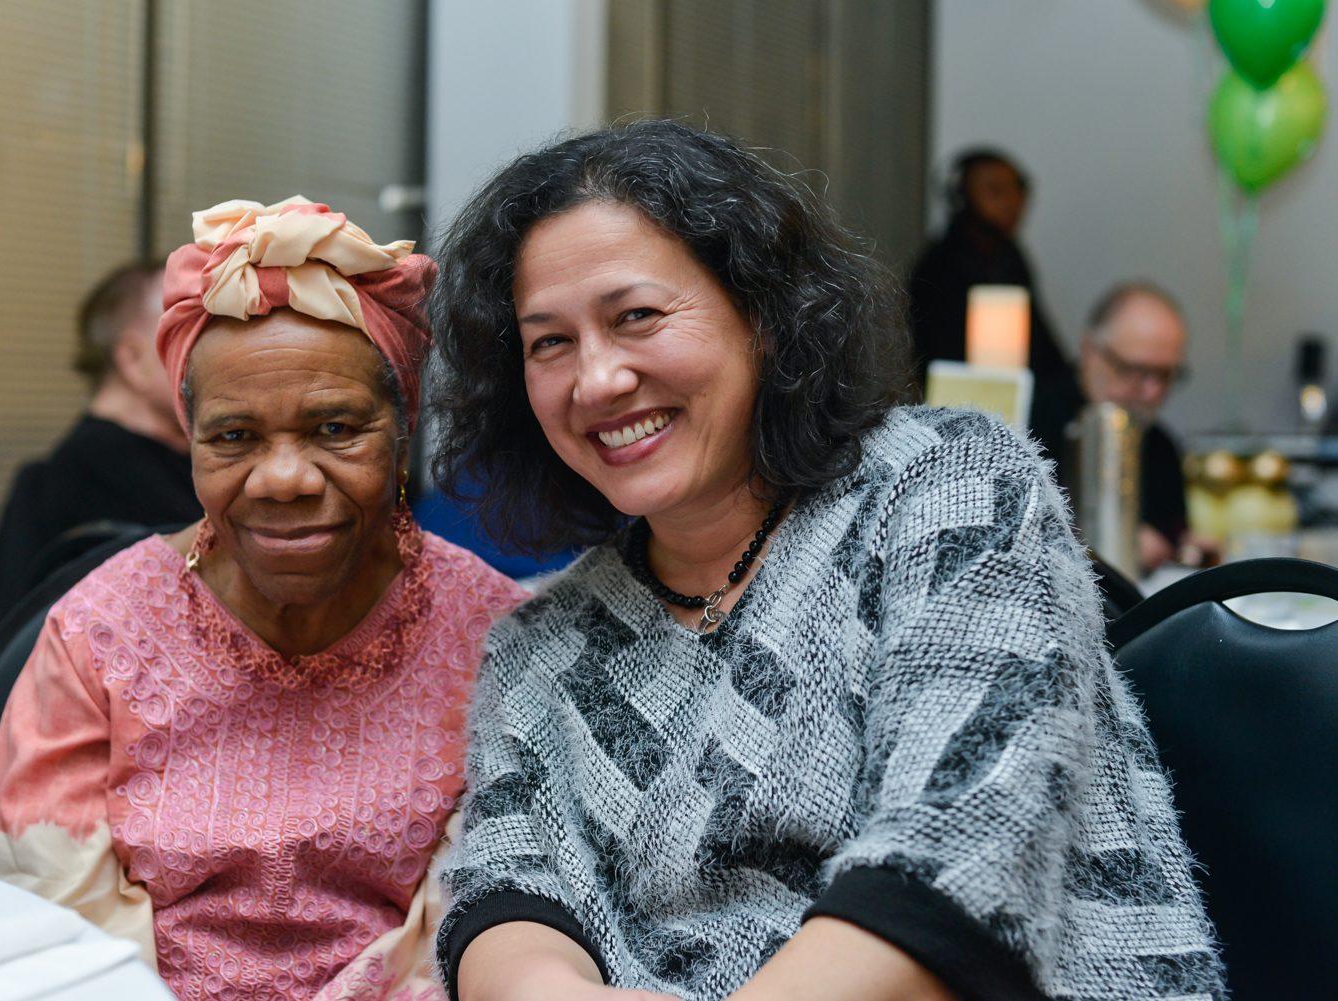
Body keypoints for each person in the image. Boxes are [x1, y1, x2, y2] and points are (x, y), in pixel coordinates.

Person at [426, 121, 1224, 1001]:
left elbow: (959, 855)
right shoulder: (542, 640)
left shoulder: (946, 491)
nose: (597, 379)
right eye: (549, 343)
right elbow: (507, 890)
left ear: (763, 315)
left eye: (637, 316)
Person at [0, 197, 528, 1001]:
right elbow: (48, 919)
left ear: (403, 434)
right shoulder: (101, 631)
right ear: (188, 443)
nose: (285, 479)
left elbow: (494, 919)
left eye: (336, 428)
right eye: (234, 437)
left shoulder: (494, 633)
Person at [0, 261, 202, 659]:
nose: (211, 351)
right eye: (189, 334)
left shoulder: (179, 464)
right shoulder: (87, 479)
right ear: (131, 358)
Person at [1029, 281, 1200, 572]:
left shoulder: (1160, 446)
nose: (1152, 392)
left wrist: (1182, 547)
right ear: (1090, 351)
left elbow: (1175, 534)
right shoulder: (1029, 425)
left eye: (1165, 375)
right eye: (1135, 371)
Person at [909, 148, 1070, 387]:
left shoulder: (1009, 256)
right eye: (995, 191)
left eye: (1018, 189)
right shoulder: (941, 267)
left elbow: (1040, 344)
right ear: (961, 198)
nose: (1012, 201)